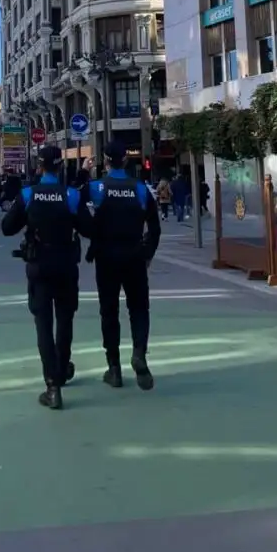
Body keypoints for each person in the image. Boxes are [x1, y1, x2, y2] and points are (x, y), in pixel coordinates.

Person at [2, 146, 85, 411]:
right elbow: (89, 227)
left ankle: (52, 386)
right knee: (65, 320)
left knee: (43, 325)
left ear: (39, 167)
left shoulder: (27, 195)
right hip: (66, 265)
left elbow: (7, 228)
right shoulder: (71, 195)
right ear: (60, 167)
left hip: (39, 266)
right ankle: (62, 369)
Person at [89, 141, 161, 391]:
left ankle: (114, 369)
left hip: (106, 257)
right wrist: (148, 253)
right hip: (134, 255)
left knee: (109, 312)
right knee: (139, 309)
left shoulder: (96, 187)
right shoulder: (140, 188)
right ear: (126, 161)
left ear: (106, 161)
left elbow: (73, 204)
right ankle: (139, 354)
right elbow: (155, 227)